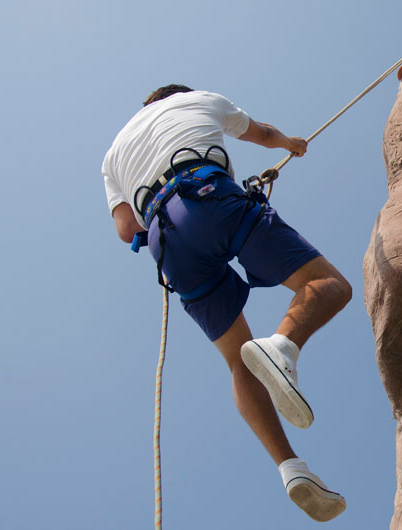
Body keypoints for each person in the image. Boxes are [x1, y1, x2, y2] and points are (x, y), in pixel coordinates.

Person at [102, 84, 352, 522]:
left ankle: (291, 468)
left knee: (239, 361)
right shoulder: (199, 98)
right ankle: (283, 347)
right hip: (208, 195)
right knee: (329, 283)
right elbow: (262, 133)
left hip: (167, 240)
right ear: (177, 95)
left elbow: (126, 229)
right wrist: (291, 144)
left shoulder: (113, 154)